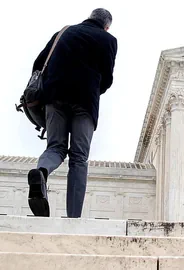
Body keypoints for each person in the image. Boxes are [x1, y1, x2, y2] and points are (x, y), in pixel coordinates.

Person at [27, 8, 118, 218]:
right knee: (78, 158)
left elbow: (38, 64)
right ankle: (73, 217)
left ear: (89, 17)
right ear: (106, 26)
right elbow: (107, 78)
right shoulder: (108, 40)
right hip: (85, 102)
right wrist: (93, 88)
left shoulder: (64, 32)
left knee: (55, 147)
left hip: (55, 97)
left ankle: (41, 172)